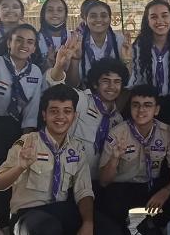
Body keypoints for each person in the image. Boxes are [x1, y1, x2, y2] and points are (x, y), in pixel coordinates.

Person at [0, 84, 121, 235]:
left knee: (111, 234)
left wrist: (88, 223)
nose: (61, 117)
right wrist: (20, 167)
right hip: (28, 216)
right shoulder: (27, 143)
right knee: (48, 228)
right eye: (54, 111)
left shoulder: (76, 148)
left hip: (59, 210)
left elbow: (84, 191)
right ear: (44, 115)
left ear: (74, 116)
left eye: (67, 111)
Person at [97, 84, 170, 235]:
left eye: (147, 105)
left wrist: (165, 192)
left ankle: (154, 225)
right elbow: (104, 181)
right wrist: (114, 159)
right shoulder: (117, 133)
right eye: (136, 105)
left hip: (152, 187)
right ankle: (127, 233)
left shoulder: (166, 132)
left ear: (156, 109)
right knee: (110, 198)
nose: (141, 110)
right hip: (124, 189)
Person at [0, 23, 43, 235]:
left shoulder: (35, 73)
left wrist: (26, 138)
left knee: (17, 177)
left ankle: (15, 225)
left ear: (34, 47)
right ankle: (1, 229)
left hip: (15, 128)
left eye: (30, 42)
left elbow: (32, 107)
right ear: (9, 43)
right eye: (19, 40)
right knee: (2, 178)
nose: (24, 45)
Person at [46, 39, 126, 176]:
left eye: (117, 82)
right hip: (69, 177)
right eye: (106, 81)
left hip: (97, 180)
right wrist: (59, 66)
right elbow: (57, 86)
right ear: (95, 84)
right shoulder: (82, 100)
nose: (112, 86)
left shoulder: (118, 119)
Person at [129, 0, 170, 122]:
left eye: (164, 16)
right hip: (147, 104)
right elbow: (135, 82)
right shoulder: (138, 47)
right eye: (154, 17)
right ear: (147, 21)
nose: (159, 21)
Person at [71, 0, 128, 89]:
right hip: (85, 94)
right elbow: (72, 84)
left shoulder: (120, 41)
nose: (98, 19)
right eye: (93, 16)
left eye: (103, 16)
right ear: (85, 19)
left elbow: (127, 81)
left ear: (110, 19)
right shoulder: (77, 43)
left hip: (114, 94)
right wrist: (75, 59)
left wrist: (127, 60)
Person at [36, 0, 70, 70]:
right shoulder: (35, 39)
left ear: (65, 14)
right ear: (43, 14)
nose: (55, 13)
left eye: (60, 10)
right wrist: (47, 64)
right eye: (50, 10)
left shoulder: (73, 38)